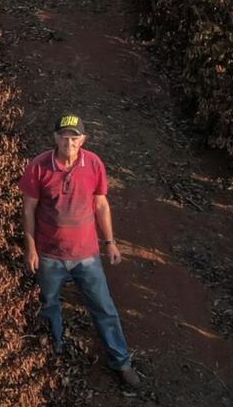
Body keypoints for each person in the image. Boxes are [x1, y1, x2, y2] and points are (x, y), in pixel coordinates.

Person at [20, 113, 142, 389]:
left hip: (86, 256)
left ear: (83, 140)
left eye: (74, 138)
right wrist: (31, 249)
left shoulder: (94, 164)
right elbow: (28, 209)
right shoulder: (39, 166)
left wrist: (110, 242)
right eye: (64, 137)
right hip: (49, 255)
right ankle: (54, 354)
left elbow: (101, 205)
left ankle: (121, 362)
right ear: (55, 138)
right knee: (49, 306)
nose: (69, 143)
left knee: (104, 308)